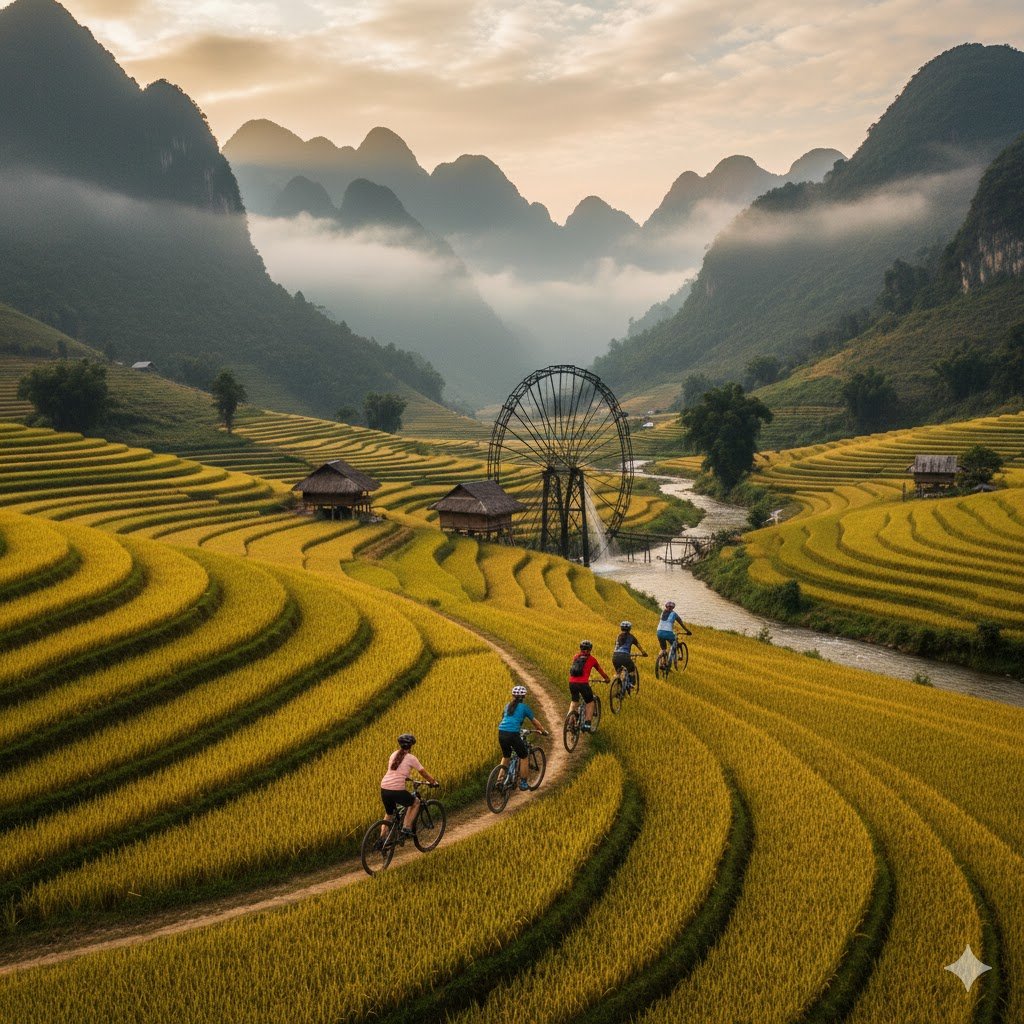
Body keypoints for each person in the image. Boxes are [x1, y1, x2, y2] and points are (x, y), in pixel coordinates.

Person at [379, 733, 438, 840]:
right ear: (411, 746)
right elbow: (423, 773)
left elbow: (394, 772)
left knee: (389, 814)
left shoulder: (394, 754)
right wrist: (433, 782)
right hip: (396, 790)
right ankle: (406, 827)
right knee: (415, 802)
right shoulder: (411, 758)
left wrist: (408, 778)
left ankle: (382, 840)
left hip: (384, 788)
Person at [498, 684, 548, 791]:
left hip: (501, 732)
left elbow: (505, 719)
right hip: (512, 734)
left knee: (506, 756)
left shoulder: (507, 706)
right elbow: (536, 723)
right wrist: (543, 731)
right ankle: (524, 782)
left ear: (513, 696)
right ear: (524, 697)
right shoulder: (524, 708)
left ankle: (499, 780)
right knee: (524, 756)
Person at [568, 639, 609, 732]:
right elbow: (600, 671)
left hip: (572, 682)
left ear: (580, 649)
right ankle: (587, 724)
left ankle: (569, 722)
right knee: (590, 702)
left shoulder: (576, 656)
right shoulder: (592, 660)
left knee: (574, 702)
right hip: (583, 684)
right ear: (590, 649)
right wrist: (606, 679)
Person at [612, 620, 647, 691]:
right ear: (630, 629)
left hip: (615, 656)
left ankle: (617, 685)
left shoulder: (618, 636)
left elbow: (616, 646)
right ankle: (631, 684)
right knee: (632, 669)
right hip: (625, 656)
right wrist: (644, 653)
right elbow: (639, 646)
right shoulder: (631, 637)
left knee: (618, 672)